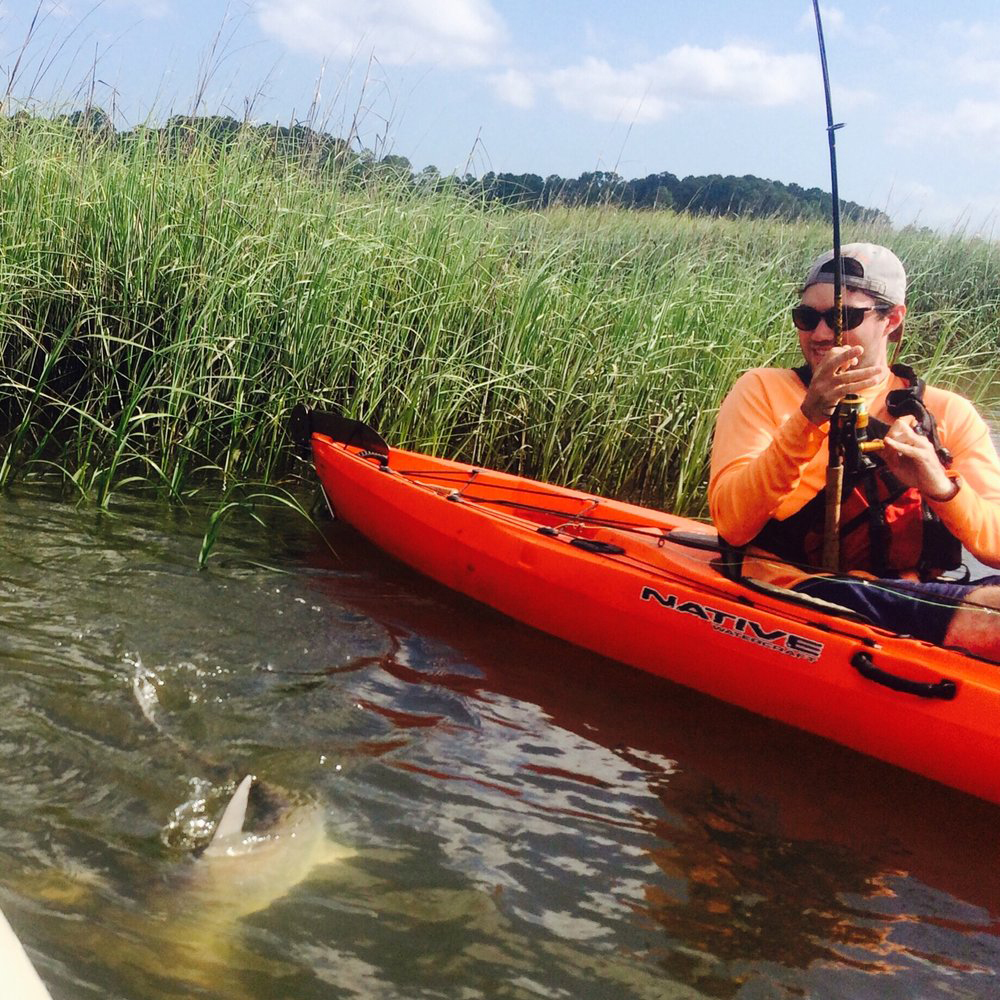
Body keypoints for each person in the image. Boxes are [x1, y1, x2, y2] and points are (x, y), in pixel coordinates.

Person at [709, 242, 1000, 660]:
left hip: (911, 589)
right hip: (798, 584)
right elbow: (734, 524)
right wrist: (807, 419)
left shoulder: (949, 412)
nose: (821, 334)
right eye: (807, 317)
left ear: (892, 318)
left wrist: (940, 484)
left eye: (843, 316)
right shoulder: (761, 389)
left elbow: (995, 545)